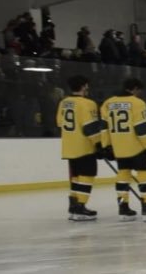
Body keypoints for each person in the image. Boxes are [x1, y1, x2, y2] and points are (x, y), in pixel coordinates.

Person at [101, 78, 146, 221]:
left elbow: (104, 128)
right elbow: (141, 128)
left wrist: (106, 146)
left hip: (119, 147)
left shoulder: (108, 103)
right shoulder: (137, 103)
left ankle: (123, 209)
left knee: (123, 175)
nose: (139, 94)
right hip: (136, 147)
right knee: (144, 175)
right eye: (139, 91)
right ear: (135, 89)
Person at [59, 75, 103, 221]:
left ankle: (73, 205)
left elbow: (59, 122)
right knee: (87, 176)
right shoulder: (87, 103)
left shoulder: (64, 102)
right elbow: (90, 127)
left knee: (76, 177)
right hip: (84, 147)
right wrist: (98, 144)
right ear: (84, 86)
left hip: (69, 146)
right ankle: (80, 207)